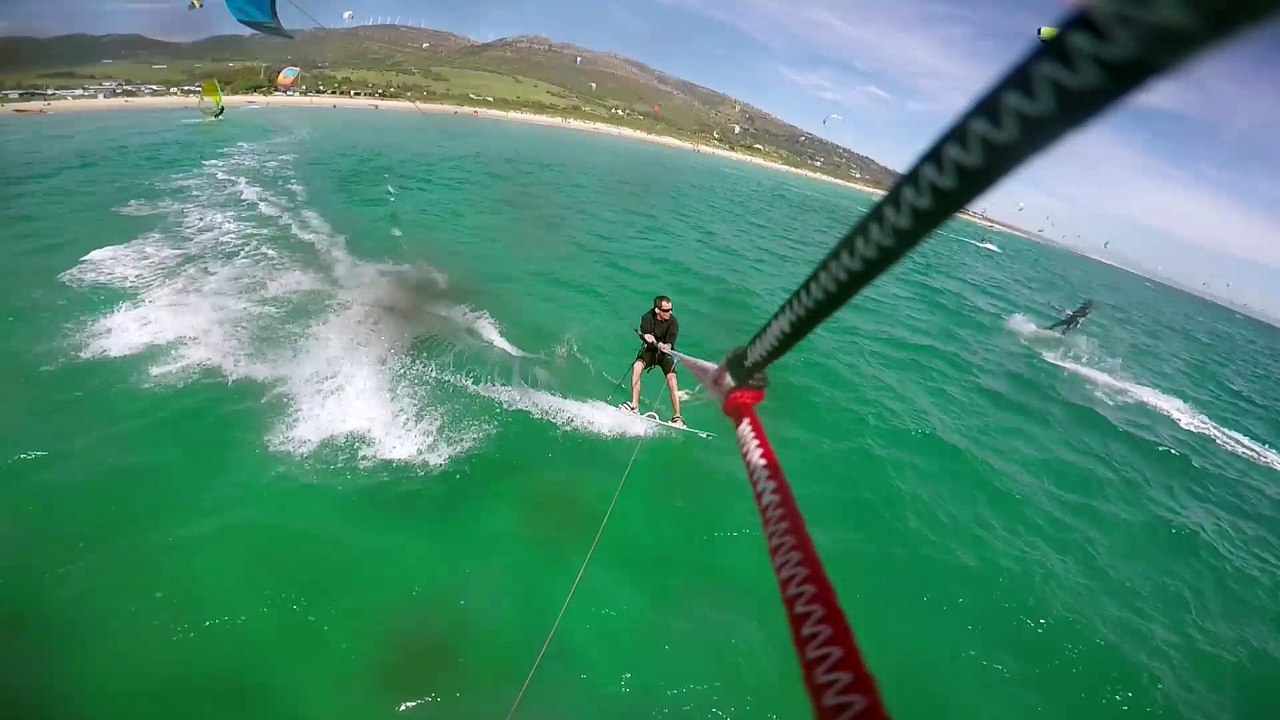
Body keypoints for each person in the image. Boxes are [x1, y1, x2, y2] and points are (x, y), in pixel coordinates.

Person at [619, 295, 683, 427]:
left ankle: (677, 417)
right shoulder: (647, 318)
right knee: (636, 367)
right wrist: (648, 338)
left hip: (665, 354)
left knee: (672, 379)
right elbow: (645, 333)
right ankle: (634, 406)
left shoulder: (673, 322)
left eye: (671, 309)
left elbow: (671, 341)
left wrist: (667, 346)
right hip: (650, 351)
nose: (670, 313)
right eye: (666, 310)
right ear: (657, 310)